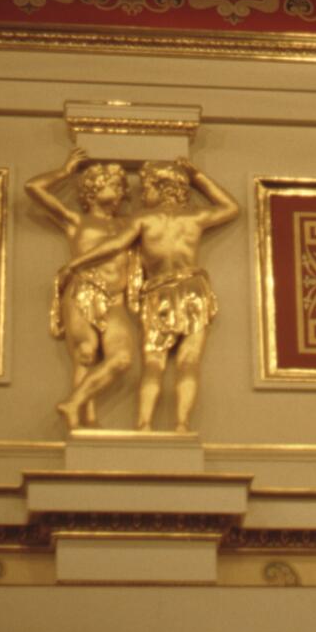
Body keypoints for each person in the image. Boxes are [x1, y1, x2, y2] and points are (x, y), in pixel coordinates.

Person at [57, 158, 238, 432]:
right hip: (193, 289)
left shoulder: (143, 219)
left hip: (158, 293)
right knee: (189, 361)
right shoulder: (195, 218)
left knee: (153, 365)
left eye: (147, 188)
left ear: (160, 187)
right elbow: (231, 207)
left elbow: (115, 245)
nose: (142, 195)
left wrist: (77, 263)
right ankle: (181, 425)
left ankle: (144, 424)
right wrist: (198, 176)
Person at [26, 149, 136, 430]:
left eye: (120, 186)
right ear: (93, 188)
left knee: (122, 358)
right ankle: (85, 421)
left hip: (116, 298)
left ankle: (73, 403)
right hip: (84, 289)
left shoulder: (128, 224)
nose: (119, 191)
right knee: (86, 355)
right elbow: (33, 188)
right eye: (113, 184)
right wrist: (65, 171)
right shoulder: (75, 221)